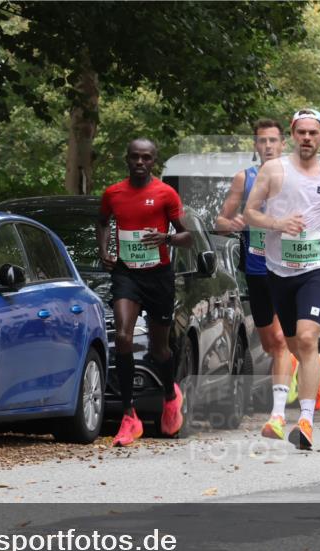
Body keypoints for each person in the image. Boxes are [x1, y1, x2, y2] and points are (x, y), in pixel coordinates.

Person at [244, 108, 320, 450]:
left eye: (314, 133)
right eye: (302, 132)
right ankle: (314, 374)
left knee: (307, 338)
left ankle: (299, 419)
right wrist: (277, 225)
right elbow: (250, 212)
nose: (307, 138)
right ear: (293, 135)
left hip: (317, 268)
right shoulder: (273, 170)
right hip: (279, 270)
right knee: (291, 345)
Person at [98, 138, 193, 447]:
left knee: (158, 349)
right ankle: (129, 416)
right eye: (135, 157)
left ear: (154, 161)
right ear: (127, 158)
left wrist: (166, 237)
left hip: (158, 276)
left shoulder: (166, 194)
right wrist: (104, 251)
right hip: (126, 274)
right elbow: (102, 222)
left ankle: (169, 396)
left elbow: (187, 236)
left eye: (146, 158)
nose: (140, 162)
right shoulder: (113, 193)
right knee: (123, 337)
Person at [215, 118, 298, 439]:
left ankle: (277, 415)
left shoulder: (295, 177)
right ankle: (307, 359)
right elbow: (220, 220)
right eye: (262, 141)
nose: (267, 146)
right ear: (255, 145)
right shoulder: (244, 178)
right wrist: (231, 222)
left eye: (273, 141)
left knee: (278, 341)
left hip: (289, 267)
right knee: (269, 341)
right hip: (257, 268)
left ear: (282, 144)